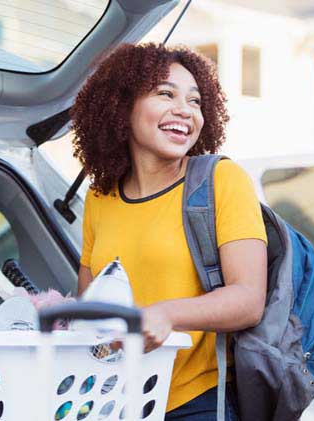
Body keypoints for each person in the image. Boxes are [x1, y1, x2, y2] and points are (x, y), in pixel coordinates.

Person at [70, 43, 268, 420]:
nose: (185, 110)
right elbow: (91, 307)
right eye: (166, 94)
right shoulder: (100, 197)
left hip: (197, 402)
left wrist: (165, 314)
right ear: (120, 106)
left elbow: (248, 300)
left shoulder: (221, 180)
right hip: (113, 401)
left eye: (195, 101)